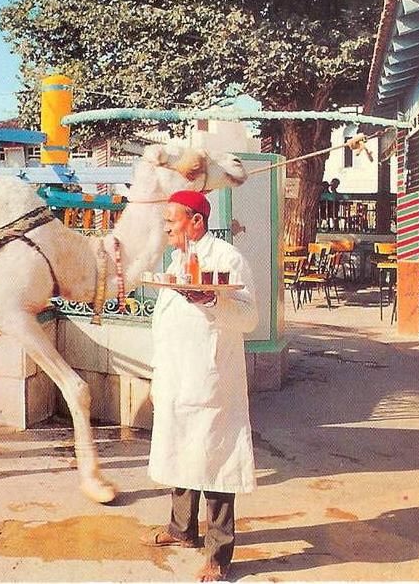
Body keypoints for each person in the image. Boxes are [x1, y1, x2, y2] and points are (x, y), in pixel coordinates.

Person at [141, 190, 259, 582]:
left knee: (216, 464)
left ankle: (219, 554)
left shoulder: (227, 259)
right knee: (180, 451)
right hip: (177, 378)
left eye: (171, 221)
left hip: (212, 381)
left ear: (196, 221)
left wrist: (210, 301)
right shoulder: (176, 261)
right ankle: (182, 529)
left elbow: (248, 317)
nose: (166, 229)